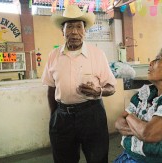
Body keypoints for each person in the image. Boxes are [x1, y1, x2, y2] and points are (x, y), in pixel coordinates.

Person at [41, 5, 117, 163]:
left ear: (85, 30)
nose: (74, 32)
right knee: (64, 159)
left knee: (97, 158)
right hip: (62, 117)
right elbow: (51, 89)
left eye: (78, 27)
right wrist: (54, 115)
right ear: (62, 31)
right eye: (69, 27)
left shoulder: (97, 54)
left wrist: (99, 91)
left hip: (92, 114)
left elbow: (111, 87)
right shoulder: (53, 56)